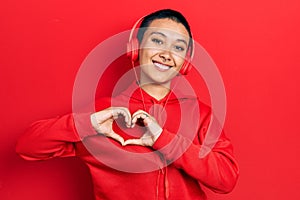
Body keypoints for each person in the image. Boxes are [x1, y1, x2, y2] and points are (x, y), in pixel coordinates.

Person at [16, 9, 239, 200]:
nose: (166, 54)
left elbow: (226, 179)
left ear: (186, 61)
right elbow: (27, 147)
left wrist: (165, 140)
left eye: (178, 47)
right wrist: (88, 123)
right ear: (136, 47)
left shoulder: (201, 114)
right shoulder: (103, 113)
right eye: (157, 41)